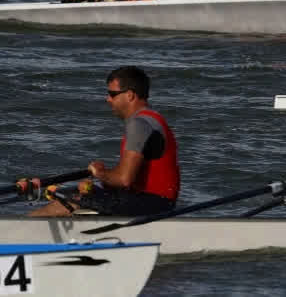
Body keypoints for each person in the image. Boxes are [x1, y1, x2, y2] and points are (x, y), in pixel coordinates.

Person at [18, 66, 178, 216]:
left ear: (130, 95)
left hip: (152, 203)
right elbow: (127, 179)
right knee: (79, 192)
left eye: (112, 94)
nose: (108, 99)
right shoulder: (151, 119)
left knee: (75, 198)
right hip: (152, 200)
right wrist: (104, 177)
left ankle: (20, 229)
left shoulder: (138, 124)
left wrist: (100, 174)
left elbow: (124, 179)